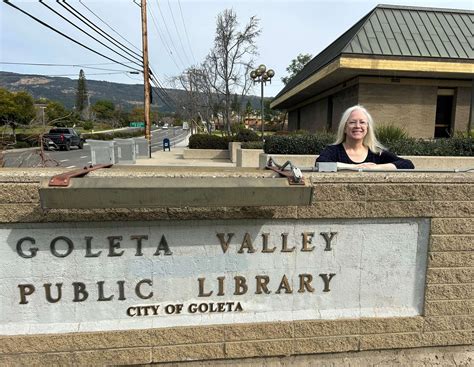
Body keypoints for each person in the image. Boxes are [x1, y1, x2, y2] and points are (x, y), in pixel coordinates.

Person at [316, 105, 414, 169]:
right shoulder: (333, 151)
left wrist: (376, 168)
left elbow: (408, 165)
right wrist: (354, 167)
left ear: (367, 128)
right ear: (345, 128)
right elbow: (320, 164)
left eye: (362, 122)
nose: (358, 126)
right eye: (352, 122)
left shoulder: (376, 153)